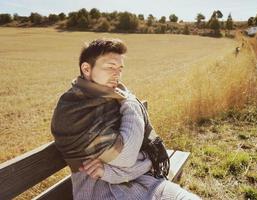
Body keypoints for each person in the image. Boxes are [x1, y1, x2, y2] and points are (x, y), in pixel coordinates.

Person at [51, 38, 201, 200]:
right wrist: (129, 101)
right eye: (110, 67)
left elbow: (128, 158)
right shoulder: (74, 110)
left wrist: (111, 171)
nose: (117, 74)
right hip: (101, 190)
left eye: (120, 69)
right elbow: (127, 156)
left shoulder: (112, 98)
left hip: (141, 181)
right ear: (86, 69)